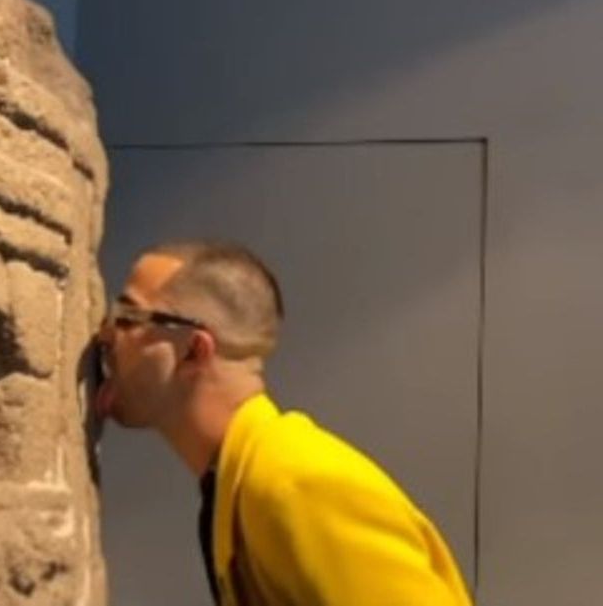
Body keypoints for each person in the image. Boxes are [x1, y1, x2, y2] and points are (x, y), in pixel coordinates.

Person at [94, 239, 473, 606]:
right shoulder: (246, 483)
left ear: (194, 351)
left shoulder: (297, 482)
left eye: (129, 318)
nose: (105, 334)